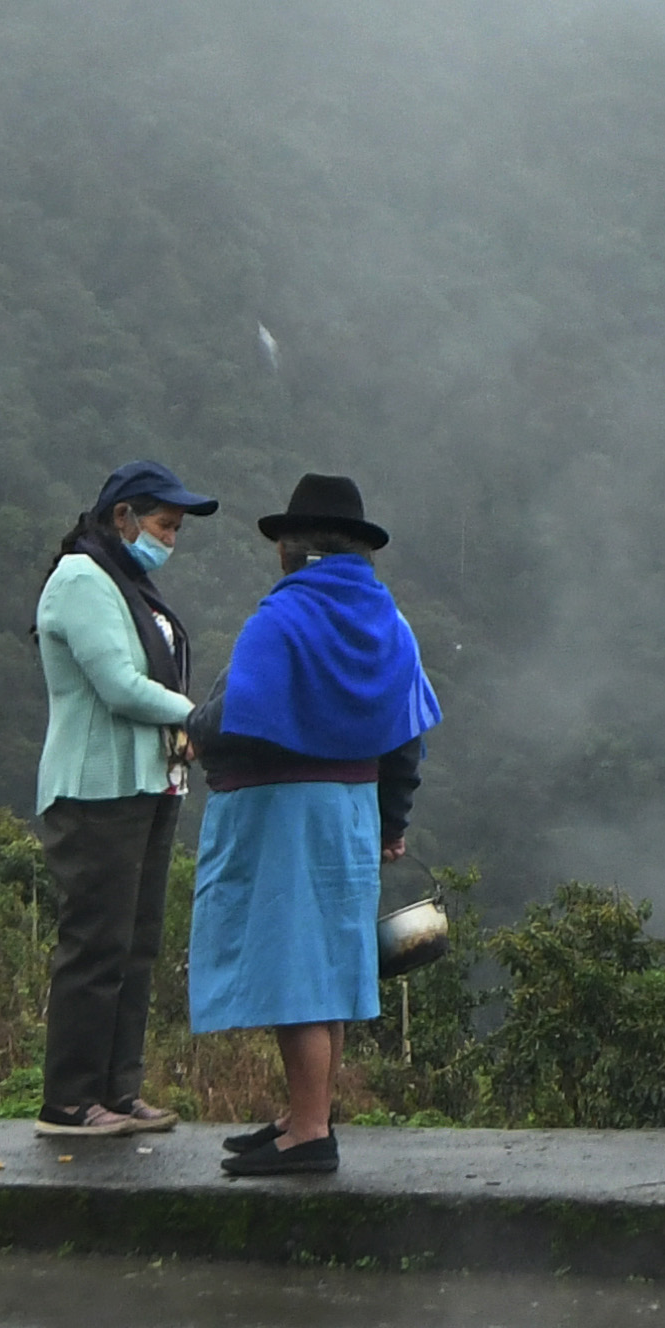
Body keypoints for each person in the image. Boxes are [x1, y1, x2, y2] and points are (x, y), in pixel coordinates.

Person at [191, 471, 441, 1179]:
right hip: (355, 811)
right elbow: (406, 739)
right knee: (328, 964)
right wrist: (393, 821)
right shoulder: (389, 624)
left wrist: (189, 728)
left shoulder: (285, 618)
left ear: (294, 549)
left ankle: (307, 1134)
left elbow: (236, 714)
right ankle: (307, 1116)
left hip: (287, 813)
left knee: (294, 968)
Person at [27, 458, 214, 1141]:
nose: (170, 539)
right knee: (95, 944)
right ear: (122, 517)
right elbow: (118, 684)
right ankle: (70, 1101)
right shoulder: (81, 577)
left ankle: (117, 1089)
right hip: (96, 791)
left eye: (176, 529)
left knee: (136, 943)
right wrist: (194, 717)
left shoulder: (127, 583)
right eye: (165, 524)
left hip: (147, 786)